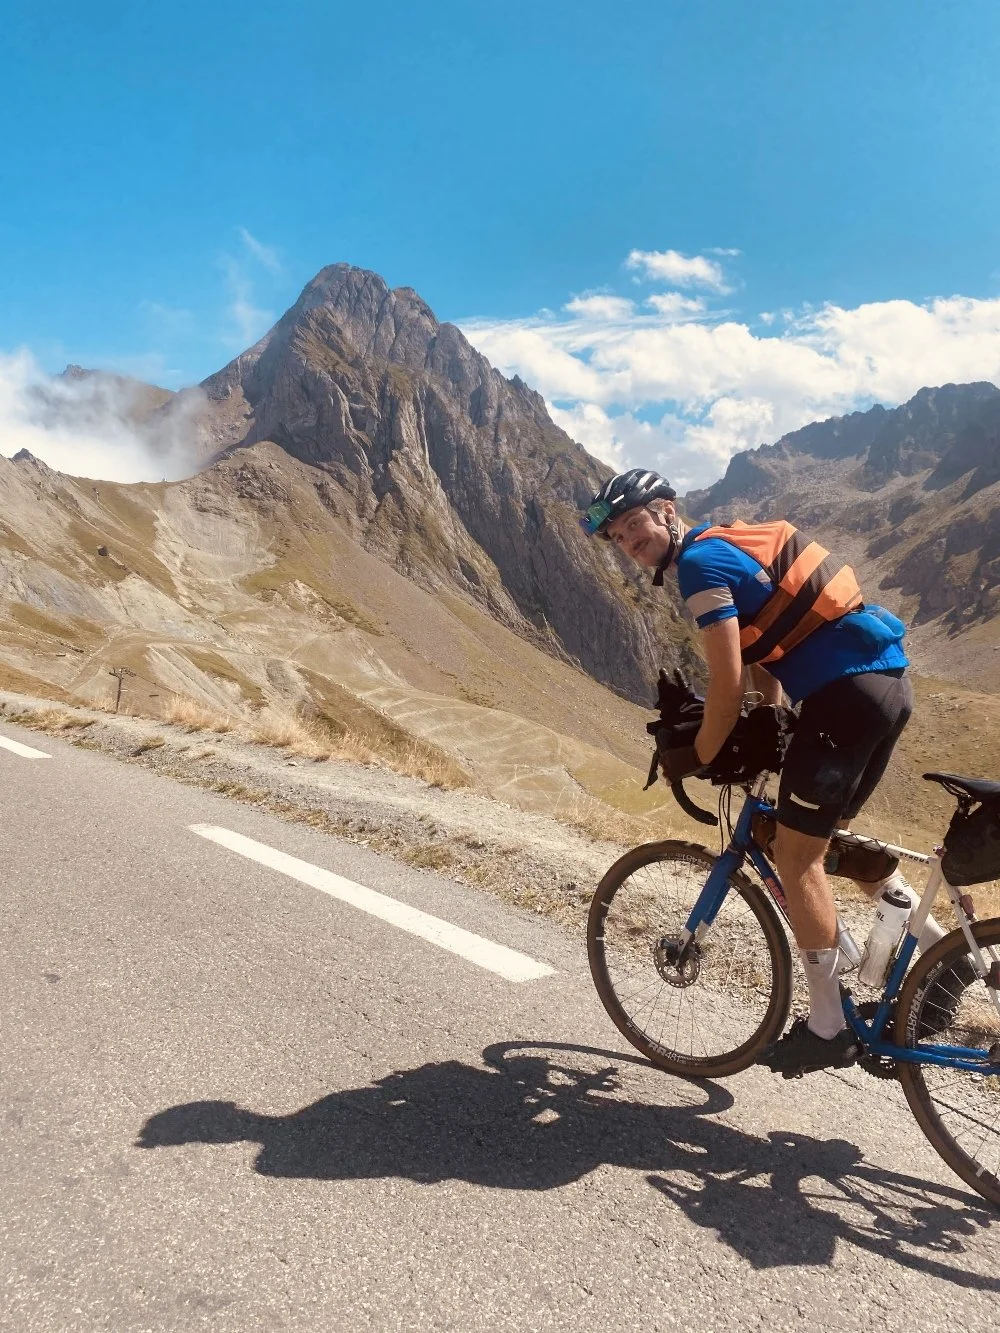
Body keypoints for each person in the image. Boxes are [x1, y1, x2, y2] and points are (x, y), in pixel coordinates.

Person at [581, 468, 952, 1077]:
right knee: (821, 840)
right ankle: (934, 945)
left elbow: (725, 684)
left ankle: (829, 1026)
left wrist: (701, 753)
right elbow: (764, 662)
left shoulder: (699, 566)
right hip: (883, 687)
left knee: (797, 858)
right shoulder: (727, 544)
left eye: (634, 525)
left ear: (667, 510)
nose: (629, 541)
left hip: (843, 699)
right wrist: (771, 722)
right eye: (619, 537)